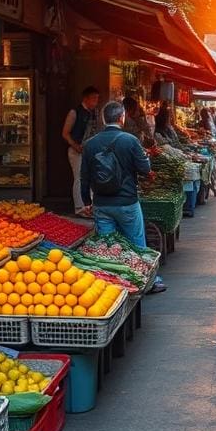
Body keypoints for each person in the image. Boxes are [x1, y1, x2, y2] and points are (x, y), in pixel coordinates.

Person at [80, 101, 165, 293]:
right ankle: (147, 282)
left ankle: (112, 285)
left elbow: (84, 176)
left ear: (103, 119)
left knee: (107, 247)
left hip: (101, 204)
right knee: (137, 243)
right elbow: (145, 170)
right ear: (122, 118)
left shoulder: (90, 144)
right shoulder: (130, 140)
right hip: (127, 202)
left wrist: (87, 201)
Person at [62, 86, 100, 215]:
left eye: (97, 99)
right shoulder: (75, 112)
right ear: (86, 98)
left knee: (90, 178)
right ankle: (79, 207)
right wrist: (75, 145)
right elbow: (65, 133)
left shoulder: (94, 113)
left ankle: (90, 206)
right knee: (79, 178)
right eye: (93, 98)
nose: (96, 101)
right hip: (77, 151)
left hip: (89, 151)